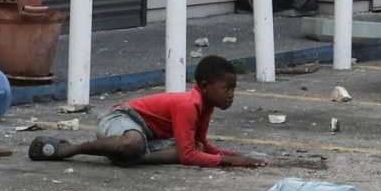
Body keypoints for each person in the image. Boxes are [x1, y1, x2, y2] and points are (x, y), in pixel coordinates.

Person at [28, 55, 267, 167]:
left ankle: (131, 159)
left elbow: (199, 145)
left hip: (147, 137)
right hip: (123, 119)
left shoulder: (205, 107)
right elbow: (188, 158)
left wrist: (235, 155)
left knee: (196, 147)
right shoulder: (188, 105)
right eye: (226, 88)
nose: (231, 94)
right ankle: (68, 149)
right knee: (133, 142)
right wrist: (232, 162)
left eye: (233, 89)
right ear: (205, 87)